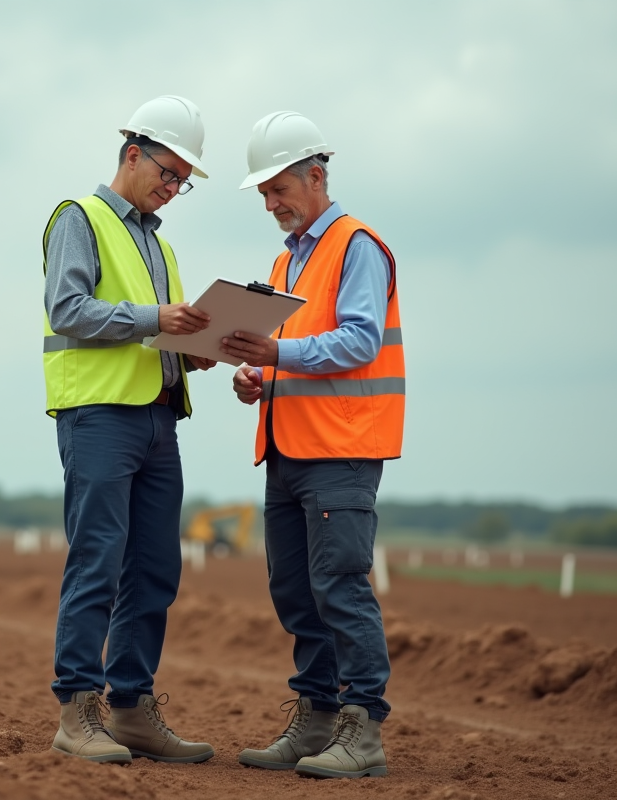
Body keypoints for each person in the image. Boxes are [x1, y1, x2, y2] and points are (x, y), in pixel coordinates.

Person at [220, 111, 405, 779]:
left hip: (341, 450)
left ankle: (363, 730)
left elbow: (358, 340)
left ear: (317, 177)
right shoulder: (285, 259)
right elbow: (296, 352)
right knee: (296, 591)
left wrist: (277, 354)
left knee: (340, 587)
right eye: (264, 193)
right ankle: (318, 718)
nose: (271, 203)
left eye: (279, 189)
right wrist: (257, 377)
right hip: (289, 450)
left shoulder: (357, 246)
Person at [41, 95, 217, 765]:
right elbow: (68, 309)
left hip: (158, 418)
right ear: (134, 154)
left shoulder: (159, 243)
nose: (173, 189)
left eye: (183, 182)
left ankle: (132, 710)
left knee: (154, 568)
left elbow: (158, 331)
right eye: (169, 174)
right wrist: (155, 320)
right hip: (99, 416)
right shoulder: (78, 218)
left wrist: (194, 350)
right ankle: (77, 710)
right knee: (99, 560)